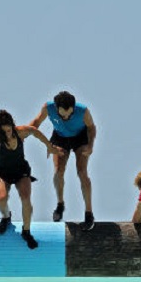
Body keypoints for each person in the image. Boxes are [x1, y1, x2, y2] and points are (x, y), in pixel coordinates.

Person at [0, 109, 62, 249]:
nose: (8, 134)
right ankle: (6, 217)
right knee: (1, 197)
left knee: (26, 197)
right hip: (1, 174)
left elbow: (34, 131)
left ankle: (26, 231)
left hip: (21, 171)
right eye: (4, 132)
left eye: (9, 130)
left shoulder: (20, 132)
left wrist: (50, 147)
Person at [29, 91, 97, 230]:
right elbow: (35, 123)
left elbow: (91, 127)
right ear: (56, 108)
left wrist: (90, 145)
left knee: (82, 172)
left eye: (69, 114)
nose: (66, 117)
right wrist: (23, 135)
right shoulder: (48, 108)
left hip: (81, 138)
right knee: (58, 171)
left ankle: (89, 214)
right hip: (60, 137)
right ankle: (60, 205)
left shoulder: (83, 111)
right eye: (62, 115)